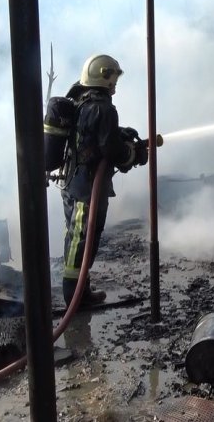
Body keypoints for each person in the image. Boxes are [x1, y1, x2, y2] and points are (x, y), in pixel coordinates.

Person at [57, 54, 147, 306]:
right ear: (104, 77)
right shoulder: (104, 107)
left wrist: (120, 133)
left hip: (72, 181)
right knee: (83, 238)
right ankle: (74, 295)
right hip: (87, 187)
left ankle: (79, 289)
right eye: (113, 78)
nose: (115, 84)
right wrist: (132, 155)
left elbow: (90, 136)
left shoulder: (80, 100)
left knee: (76, 236)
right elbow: (110, 150)